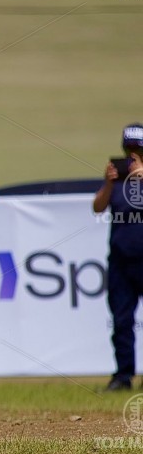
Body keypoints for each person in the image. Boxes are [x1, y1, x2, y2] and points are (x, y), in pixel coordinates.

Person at [92, 124, 143, 392]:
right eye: (129, 149)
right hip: (121, 261)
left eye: (138, 150)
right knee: (121, 320)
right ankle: (123, 376)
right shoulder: (118, 181)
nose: (132, 155)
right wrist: (108, 183)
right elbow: (97, 207)